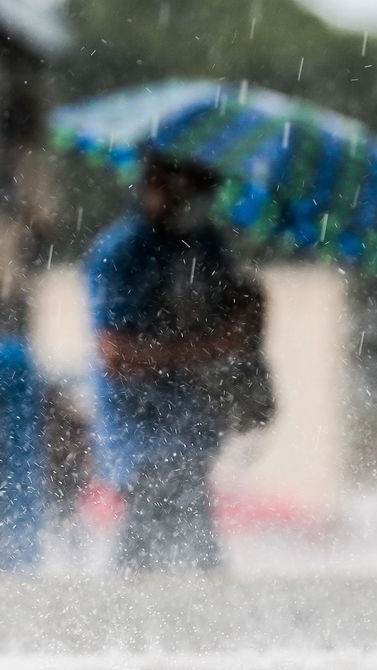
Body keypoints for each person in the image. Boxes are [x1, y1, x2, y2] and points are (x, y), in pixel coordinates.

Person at [85, 152, 271, 570]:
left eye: (209, 187)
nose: (201, 198)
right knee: (172, 554)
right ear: (157, 180)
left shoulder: (204, 240)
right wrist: (211, 346)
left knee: (184, 551)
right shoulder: (121, 253)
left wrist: (249, 308)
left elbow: (223, 308)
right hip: (141, 435)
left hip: (192, 424)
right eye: (194, 185)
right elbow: (114, 355)